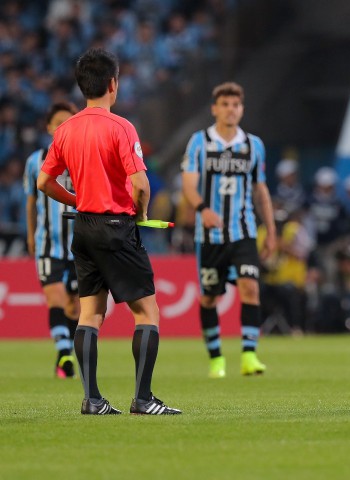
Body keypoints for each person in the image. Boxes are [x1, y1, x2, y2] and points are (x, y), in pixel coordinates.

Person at [37, 48, 181, 415]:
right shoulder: (121, 127)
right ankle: (144, 399)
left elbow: (43, 181)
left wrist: (77, 199)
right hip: (116, 227)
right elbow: (141, 185)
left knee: (90, 315)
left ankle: (92, 399)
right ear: (113, 84)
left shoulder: (65, 130)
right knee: (147, 312)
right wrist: (141, 213)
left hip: (83, 227)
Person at [181, 81, 277, 378]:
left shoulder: (253, 145)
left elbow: (261, 190)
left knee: (250, 288)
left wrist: (271, 231)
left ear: (242, 109)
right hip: (209, 236)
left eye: (235, 105)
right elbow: (188, 184)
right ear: (214, 109)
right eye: (225, 104)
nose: (230, 109)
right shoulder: (199, 142)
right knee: (209, 297)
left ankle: (249, 356)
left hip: (244, 232)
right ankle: (216, 359)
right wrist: (203, 209)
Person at [24, 101, 79, 378]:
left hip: (79, 245)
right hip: (48, 244)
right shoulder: (35, 160)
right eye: (58, 122)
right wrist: (30, 234)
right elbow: (31, 202)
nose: (62, 127)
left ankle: (66, 349)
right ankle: (64, 353)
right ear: (48, 127)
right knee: (55, 299)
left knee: (75, 305)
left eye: (67, 122)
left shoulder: (84, 158)